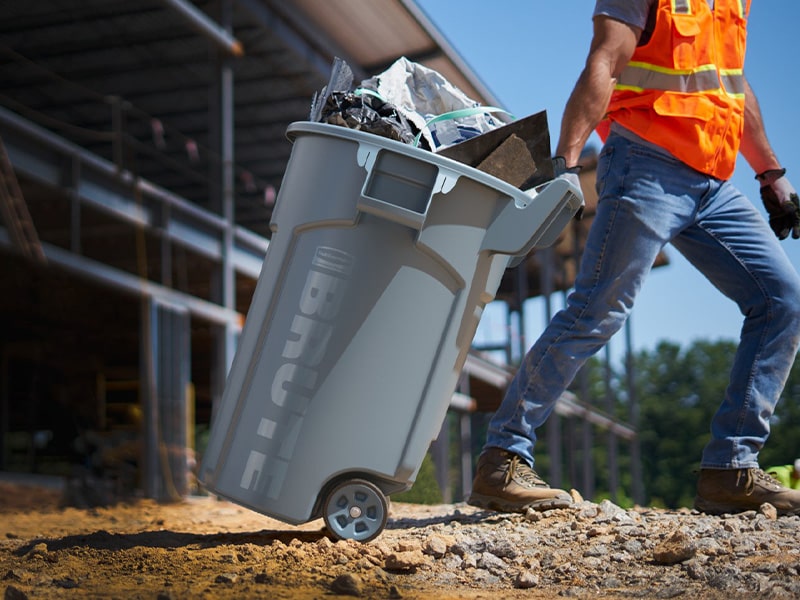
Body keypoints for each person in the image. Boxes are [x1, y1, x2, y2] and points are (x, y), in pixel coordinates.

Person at [468, 0, 800, 516]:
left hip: (713, 182)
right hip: (644, 164)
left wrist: (770, 172)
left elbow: (734, 84)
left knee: (783, 300)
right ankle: (502, 458)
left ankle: (731, 468)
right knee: (597, 308)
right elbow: (604, 61)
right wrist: (565, 166)